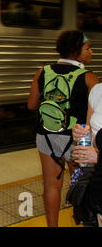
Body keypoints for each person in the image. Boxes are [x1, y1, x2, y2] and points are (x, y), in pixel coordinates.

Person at [27, 30, 99, 227]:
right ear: (76, 51)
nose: (91, 52)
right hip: (77, 140)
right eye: (88, 48)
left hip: (46, 136)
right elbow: (96, 119)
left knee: (51, 186)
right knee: (81, 184)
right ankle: (84, 221)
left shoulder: (42, 71)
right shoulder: (89, 78)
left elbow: (32, 105)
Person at [71, 83, 102, 227]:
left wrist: (98, 157)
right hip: (97, 183)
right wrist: (79, 134)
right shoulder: (97, 90)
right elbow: (89, 131)